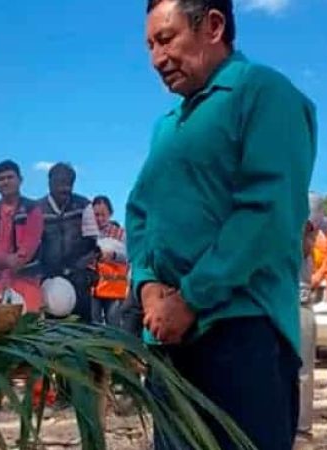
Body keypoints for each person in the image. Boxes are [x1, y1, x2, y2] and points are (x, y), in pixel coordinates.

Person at [129, 0, 316, 448]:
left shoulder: (263, 93)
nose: (157, 58)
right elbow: (139, 211)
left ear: (213, 26)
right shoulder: (167, 125)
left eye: (167, 38)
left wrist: (192, 298)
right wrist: (148, 284)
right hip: (169, 337)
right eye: (151, 45)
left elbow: (266, 212)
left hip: (241, 331)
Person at [0, 160, 45, 312]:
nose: (5, 182)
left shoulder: (33, 209)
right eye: (1, 179)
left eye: (9, 177)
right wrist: (6, 260)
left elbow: (29, 245)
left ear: (20, 180)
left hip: (26, 280)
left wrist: (13, 264)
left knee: (28, 325)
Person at [38, 163, 100, 322]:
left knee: (82, 329)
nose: (65, 188)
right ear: (50, 183)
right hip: (49, 281)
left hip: (78, 279)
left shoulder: (84, 205)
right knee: (51, 329)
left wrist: (82, 271)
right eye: (60, 183)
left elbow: (92, 243)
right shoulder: (37, 210)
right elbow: (34, 247)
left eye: (69, 183)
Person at [91, 195, 130, 330]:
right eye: (96, 215)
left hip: (113, 286)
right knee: (93, 325)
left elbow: (129, 257)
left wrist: (113, 255)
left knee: (114, 326)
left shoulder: (120, 233)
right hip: (92, 287)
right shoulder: (86, 233)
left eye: (103, 214)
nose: (100, 218)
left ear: (110, 214)